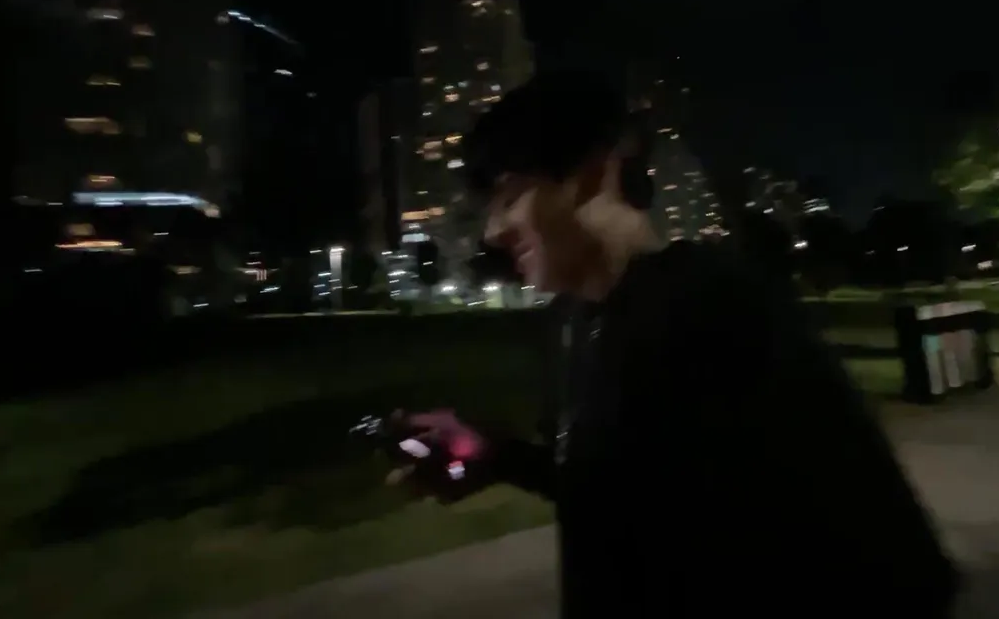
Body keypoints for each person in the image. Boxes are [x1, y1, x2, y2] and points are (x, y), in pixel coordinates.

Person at [402, 70, 959, 618]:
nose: (492, 231)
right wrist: (496, 456)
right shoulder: (568, 323)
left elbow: (896, 558)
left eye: (510, 195)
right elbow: (616, 492)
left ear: (593, 173)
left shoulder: (721, 304)